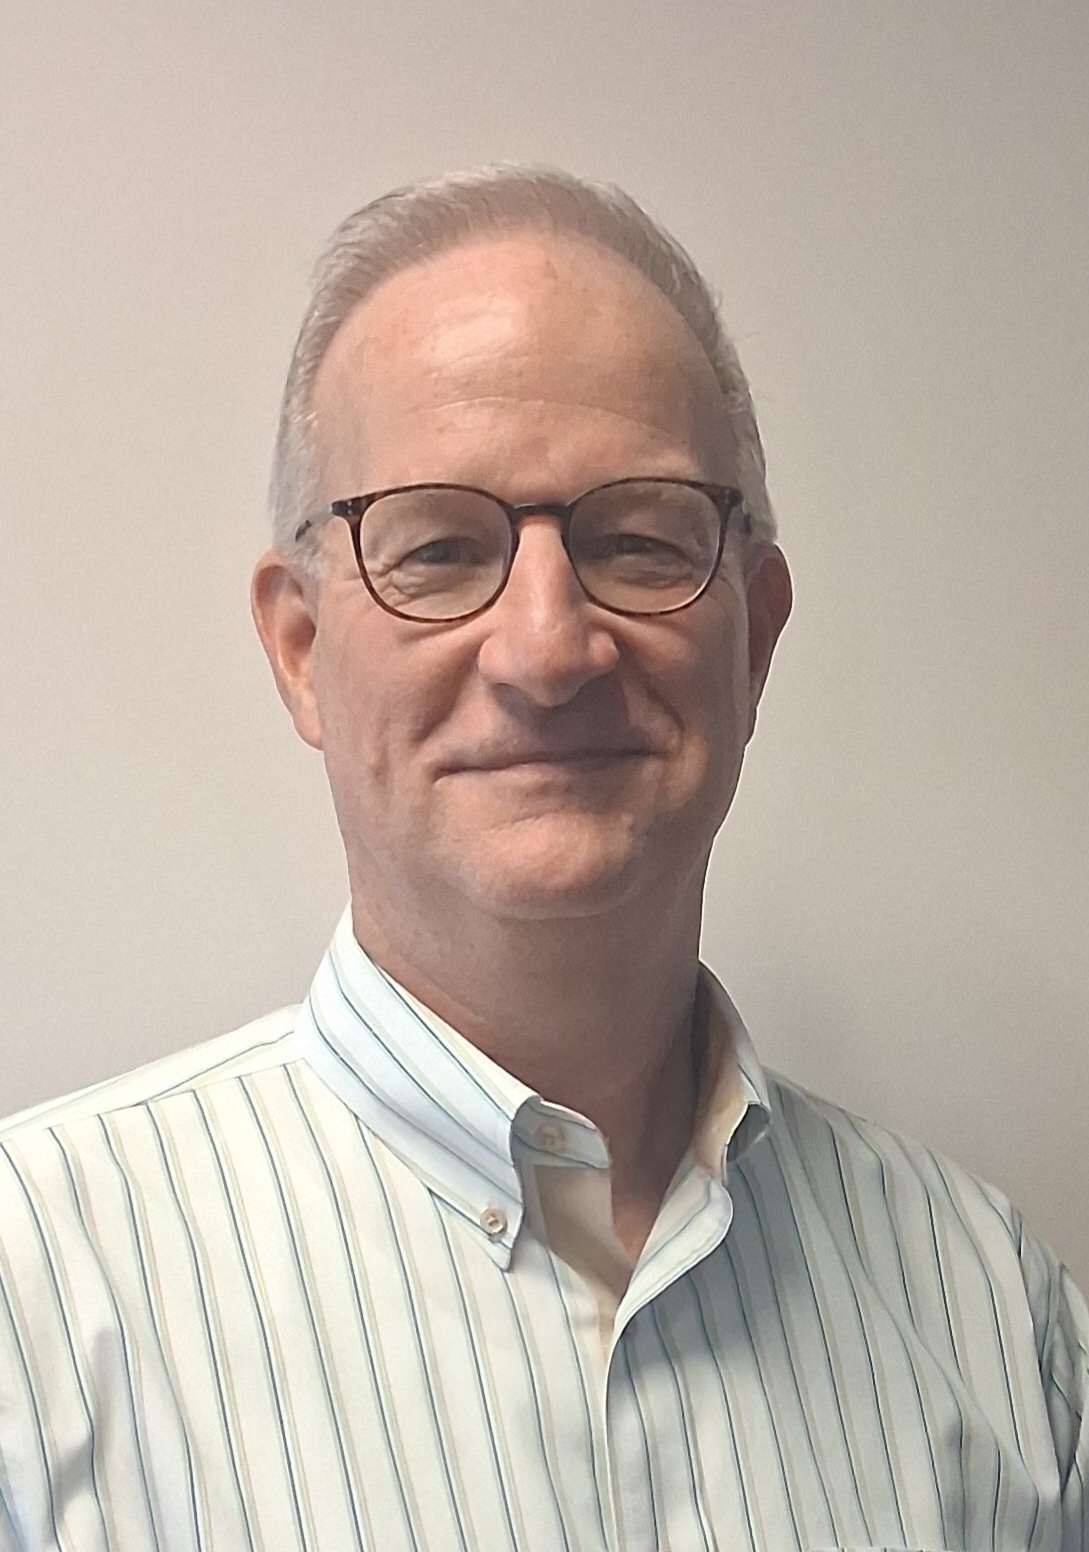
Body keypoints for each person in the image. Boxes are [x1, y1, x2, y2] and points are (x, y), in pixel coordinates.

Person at [0, 166, 1085, 1552]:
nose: (546, 649)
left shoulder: (1001, 1320)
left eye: (638, 541)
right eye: (439, 550)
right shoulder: (34, 1308)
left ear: (754, 637)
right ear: (302, 649)